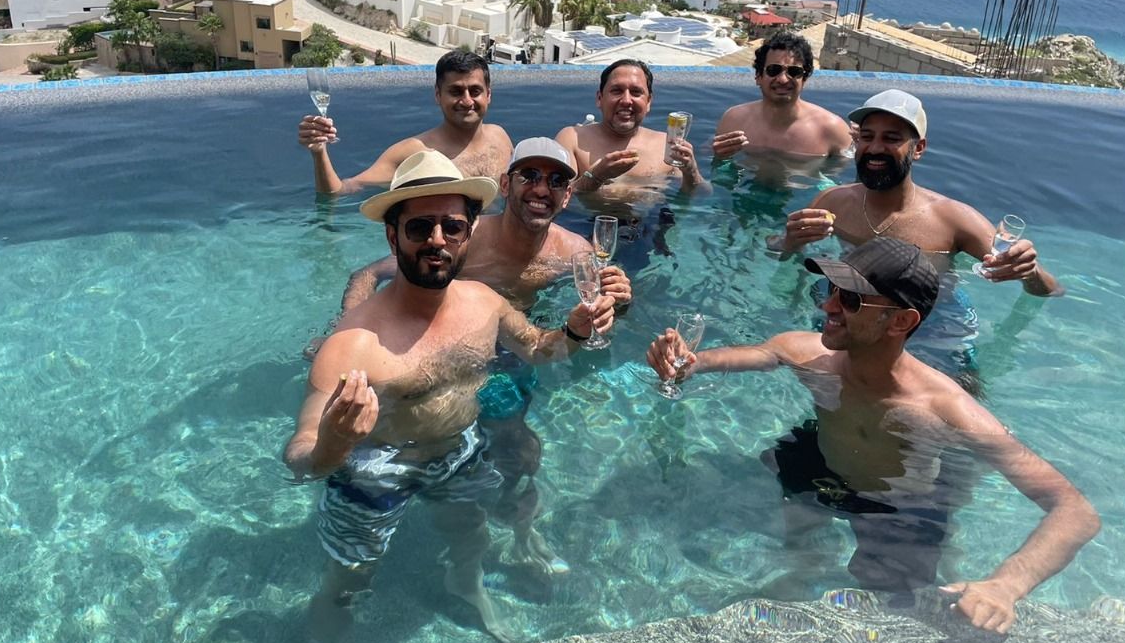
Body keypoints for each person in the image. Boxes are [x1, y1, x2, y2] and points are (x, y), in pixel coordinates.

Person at [646, 237, 1099, 635]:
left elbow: (1075, 510)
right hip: (821, 462)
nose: (827, 307)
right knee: (800, 532)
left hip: (898, 504)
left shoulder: (944, 411)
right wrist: (688, 362)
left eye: (852, 301)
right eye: (831, 291)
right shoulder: (808, 354)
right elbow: (752, 354)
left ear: (901, 322)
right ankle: (805, 571)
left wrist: (1006, 584)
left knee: (907, 609)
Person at [283, 150, 615, 643]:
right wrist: (335, 441)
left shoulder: (484, 301)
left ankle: (466, 585)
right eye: (420, 228)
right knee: (350, 576)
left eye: (452, 227)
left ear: (467, 234)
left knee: (470, 534)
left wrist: (575, 329)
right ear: (392, 237)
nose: (437, 241)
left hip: (459, 449)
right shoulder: (353, 344)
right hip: (375, 469)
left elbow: (540, 349)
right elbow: (301, 457)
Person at [336, 138, 633, 573]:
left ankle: (519, 532)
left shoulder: (577, 253)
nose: (541, 188)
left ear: (568, 195)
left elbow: (587, 315)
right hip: (456, 343)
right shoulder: (461, 237)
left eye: (555, 180)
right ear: (505, 185)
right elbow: (368, 274)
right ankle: (460, 525)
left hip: (516, 342)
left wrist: (619, 303)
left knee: (521, 450)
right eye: (528, 176)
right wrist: (347, 328)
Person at [772, 88, 1062, 390]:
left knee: (950, 409)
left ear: (919, 148)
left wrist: (1030, 271)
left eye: (891, 138)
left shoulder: (953, 219)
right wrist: (790, 241)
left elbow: (1050, 290)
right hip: (852, 310)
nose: (875, 148)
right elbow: (778, 249)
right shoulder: (833, 202)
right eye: (867, 137)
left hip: (932, 326)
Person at [297, 50, 513, 194]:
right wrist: (319, 152)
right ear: (438, 95)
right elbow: (342, 191)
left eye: (475, 91)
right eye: (455, 91)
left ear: (489, 95)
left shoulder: (500, 137)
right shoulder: (413, 153)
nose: (466, 101)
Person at [555, 59, 709, 205]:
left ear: (648, 102)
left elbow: (704, 198)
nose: (626, 100)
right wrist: (596, 177)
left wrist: (691, 172)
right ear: (599, 98)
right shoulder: (572, 139)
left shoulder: (666, 145)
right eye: (617, 91)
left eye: (636, 92)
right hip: (586, 225)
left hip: (652, 224)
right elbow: (554, 198)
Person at [712, 31, 853, 160]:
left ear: (804, 79)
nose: (783, 79)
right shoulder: (734, 121)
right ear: (758, 76)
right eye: (774, 70)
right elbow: (713, 161)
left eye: (794, 71)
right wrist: (719, 157)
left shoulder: (833, 130)